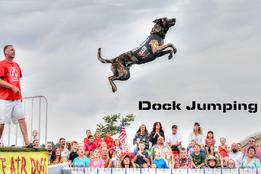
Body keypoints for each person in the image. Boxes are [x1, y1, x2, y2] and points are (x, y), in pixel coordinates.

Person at [0, 45, 31, 147]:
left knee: (22, 119)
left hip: (16, 99)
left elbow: (17, 81)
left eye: (14, 50)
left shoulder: (16, 65)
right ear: (6, 52)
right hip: (5, 98)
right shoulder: (2, 64)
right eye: (11, 50)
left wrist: (20, 93)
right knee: (2, 122)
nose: (14, 51)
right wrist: (11, 87)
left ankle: (27, 142)